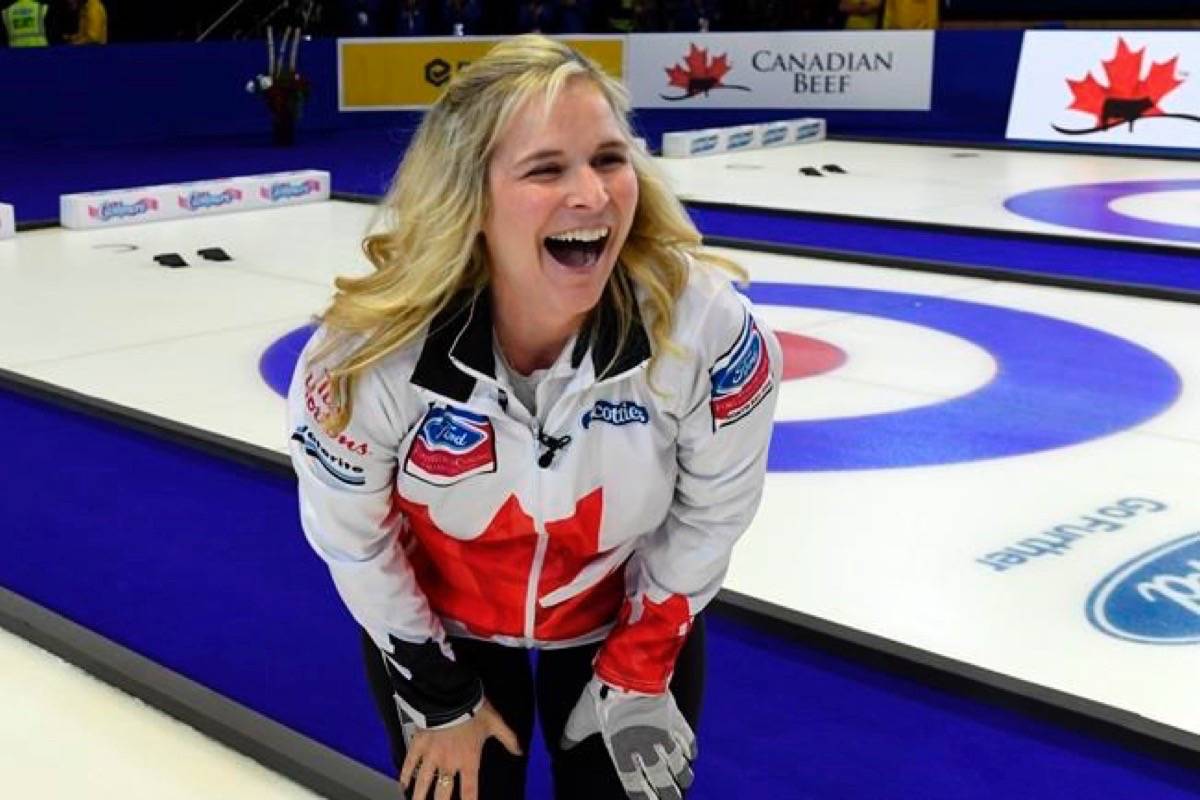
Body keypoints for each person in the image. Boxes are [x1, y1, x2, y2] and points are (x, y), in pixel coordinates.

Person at [287, 34, 780, 800]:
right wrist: (439, 696)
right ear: (468, 196)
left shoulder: (706, 327)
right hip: (440, 631)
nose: (592, 194)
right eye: (546, 169)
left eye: (610, 160)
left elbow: (715, 512)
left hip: (629, 621)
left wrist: (639, 668)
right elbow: (354, 541)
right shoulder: (367, 350)